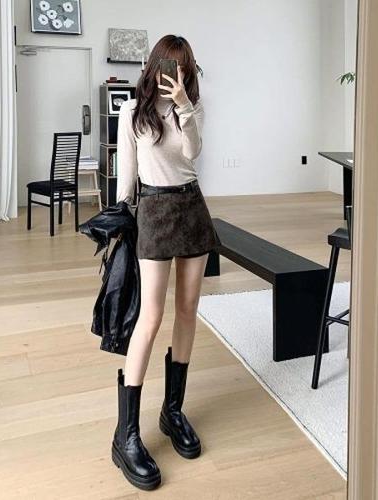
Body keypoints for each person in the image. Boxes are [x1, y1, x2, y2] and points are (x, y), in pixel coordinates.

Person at [112, 34, 220, 490]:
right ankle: (126, 434)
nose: (175, 73)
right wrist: (120, 221)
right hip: (154, 211)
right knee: (151, 317)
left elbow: (193, 153)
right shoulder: (132, 113)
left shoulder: (190, 108)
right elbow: (127, 175)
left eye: (183, 66)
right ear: (155, 66)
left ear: (187, 71)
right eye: (168, 65)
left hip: (191, 207)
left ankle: (172, 411)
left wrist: (184, 107)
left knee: (187, 310)